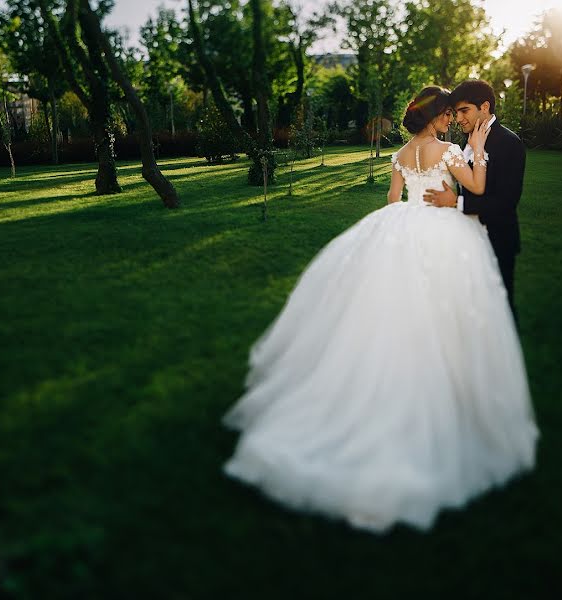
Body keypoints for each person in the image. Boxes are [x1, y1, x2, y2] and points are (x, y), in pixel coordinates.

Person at [222, 86, 538, 533]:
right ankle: (444, 393)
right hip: (443, 232)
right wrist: (479, 151)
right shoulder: (450, 149)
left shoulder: (402, 153)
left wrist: (411, 215)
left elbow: (393, 200)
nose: (451, 120)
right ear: (435, 118)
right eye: (447, 114)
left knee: (392, 311)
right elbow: (479, 186)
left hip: (403, 225)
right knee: (445, 313)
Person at [423, 80, 526, 318]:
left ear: (485, 107)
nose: (458, 119)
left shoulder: (509, 143)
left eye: (464, 110)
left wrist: (456, 203)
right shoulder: (466, 144)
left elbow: (506, 202)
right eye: (456, 113)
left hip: (497, 239)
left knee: (500, 309)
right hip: (466, 239)